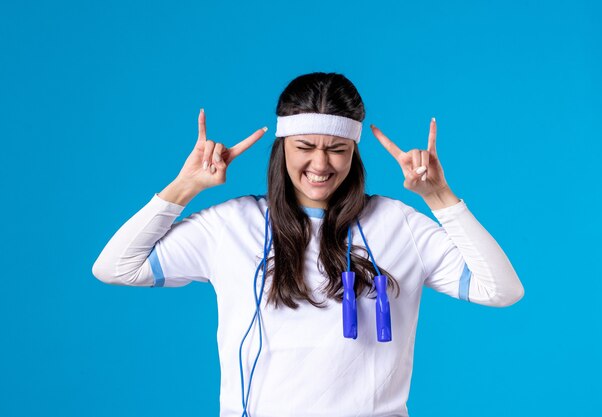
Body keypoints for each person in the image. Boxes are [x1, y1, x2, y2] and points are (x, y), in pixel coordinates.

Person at [92, 72, 524, 417]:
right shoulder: (231, 224)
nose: (320, 164)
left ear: (354, 152)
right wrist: (185, 186)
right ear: (282, 149)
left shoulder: (397, 224)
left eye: (337, 149)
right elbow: (115, 267)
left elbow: (502, 290)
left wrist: (439, 197)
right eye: (305, 147)